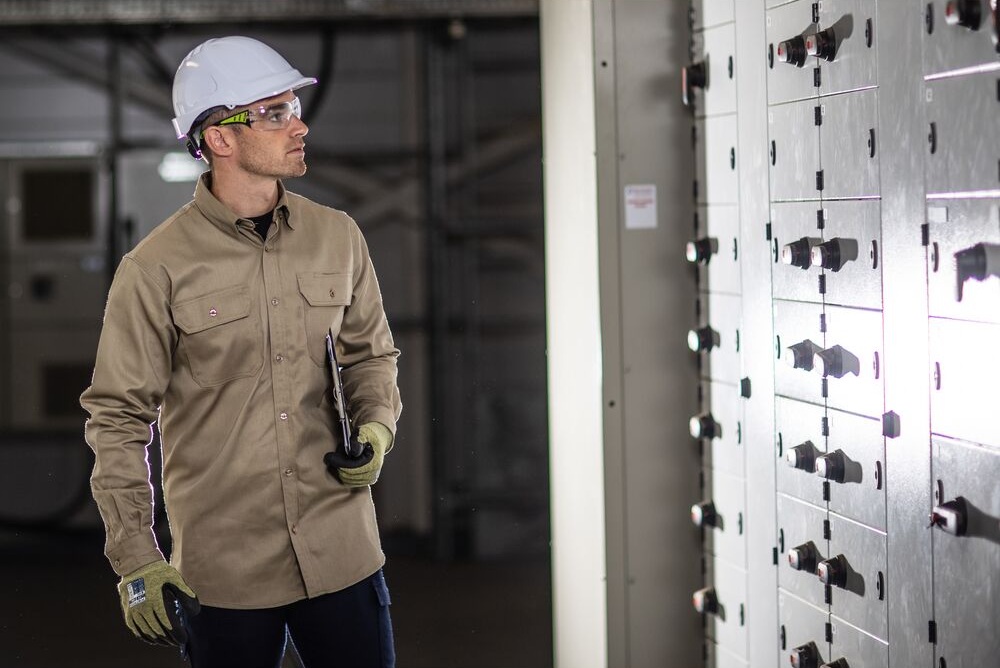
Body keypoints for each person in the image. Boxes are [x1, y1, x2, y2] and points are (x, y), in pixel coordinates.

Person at [80, 35, 402, 668]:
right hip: (223, 571)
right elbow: (118, 418)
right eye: (275, 112)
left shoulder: (338, 237)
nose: (299, 125)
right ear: (220, 138)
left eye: (293, 108)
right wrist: (137, 557)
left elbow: (371, 356)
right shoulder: (155, 269)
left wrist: (377, 428)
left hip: (341, 551)